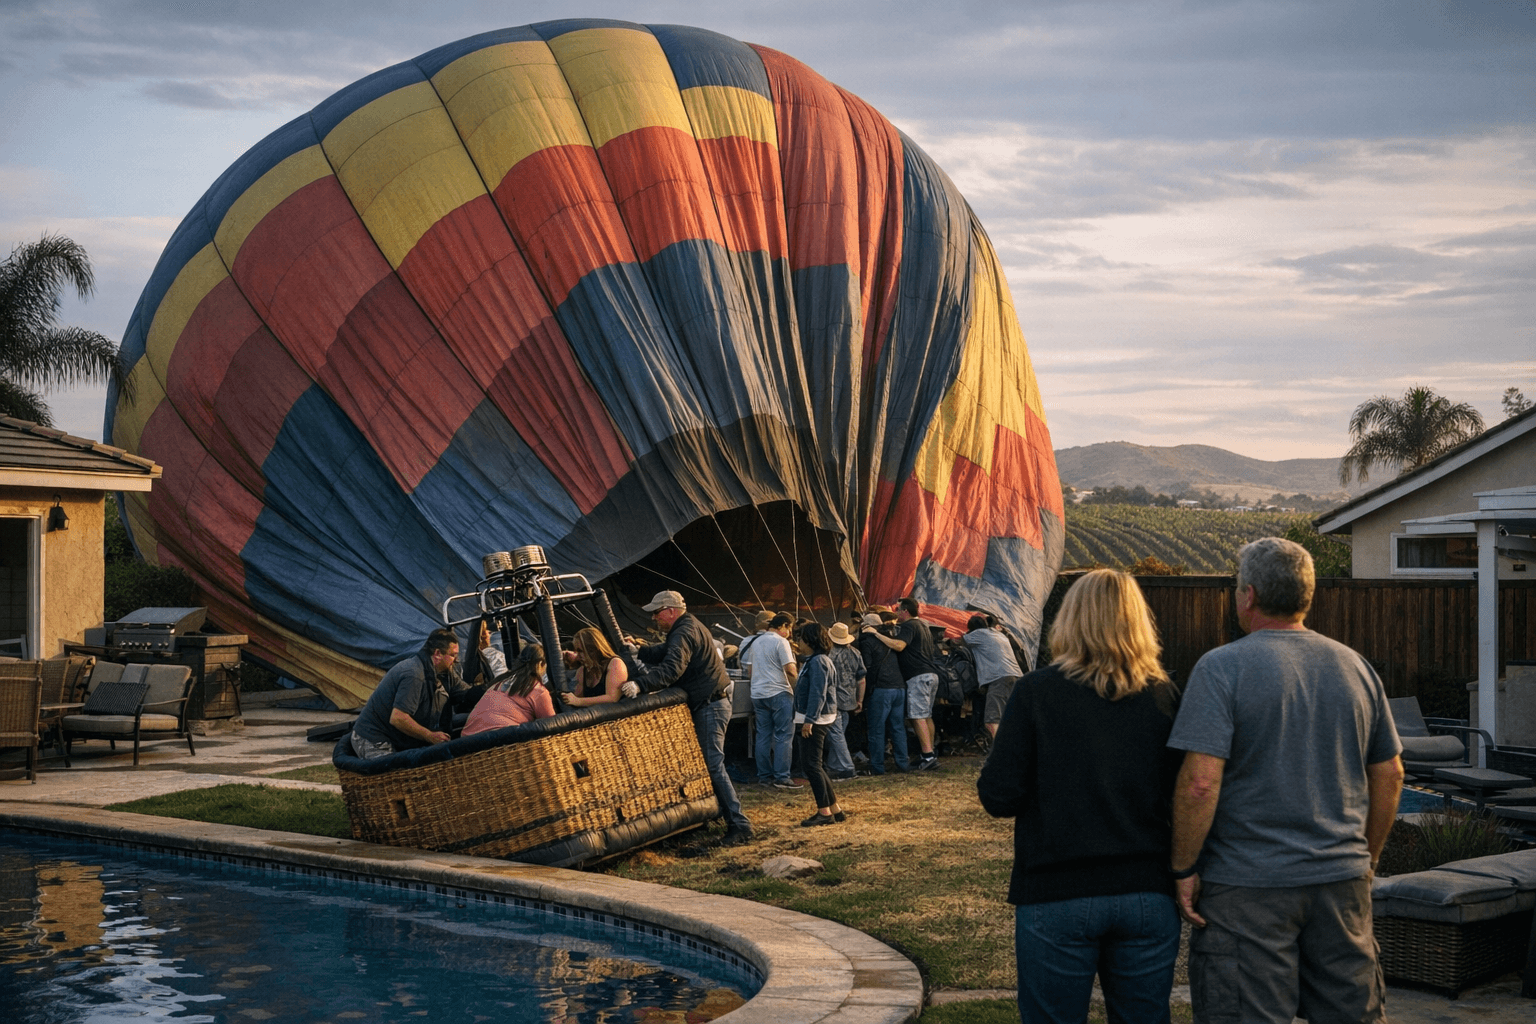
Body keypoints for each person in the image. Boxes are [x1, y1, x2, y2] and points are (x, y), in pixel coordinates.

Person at [1168, 537, 1403, 1024]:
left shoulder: (1221, 668)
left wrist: (1184, 867)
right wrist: (1367, 857)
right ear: (1307, 597)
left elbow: (1199, 784)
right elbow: (1391, 773)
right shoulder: (1355, 666)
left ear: (1248, 596)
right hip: (1341, 885)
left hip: (1247, 890)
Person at [977, 569, 1183, 1024]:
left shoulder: (1036, 693)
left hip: (1057, 890)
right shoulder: (1163, 695)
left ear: (1070, 620)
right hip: (1146, 891)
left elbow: (999, 797)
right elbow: (1184, 795)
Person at [631, 590, 754, 845]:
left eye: (656, 613)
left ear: (670, 611)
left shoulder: (684, 631)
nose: (654, 618)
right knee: (711, 764)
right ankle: (722, 813)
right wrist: (639, 651)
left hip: (711, 704)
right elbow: (665, 651)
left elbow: (671, 668)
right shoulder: (687, 626)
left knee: (713, 765)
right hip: (712, 702)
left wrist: (639, 685)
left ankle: (739, 824)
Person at [351, 628, 483, 759]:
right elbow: (398, 718)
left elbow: (467, 694)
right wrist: (430, 736)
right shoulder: (414, 674)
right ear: (437, 654)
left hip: (399, 737)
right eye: (453, 655)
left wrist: (492, 689)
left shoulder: (444, 674)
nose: (456, 660)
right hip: (374, 738)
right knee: (399, 775)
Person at [864, 596, 942, 770]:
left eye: (898, 609)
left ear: (905, 611)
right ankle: (928, 753)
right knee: (926, 715)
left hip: (917, 676)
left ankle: (928, 756)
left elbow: (899, 645)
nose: (896, 613)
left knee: (917, 716)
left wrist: (875, 633)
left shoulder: (909, 625)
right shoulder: (923, 625)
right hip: (931, 674)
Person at [794, 621, 845, 827]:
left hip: (815, 719)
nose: (798, 642)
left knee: (811, 766)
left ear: (810, 640)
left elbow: (818, 693)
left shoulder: (818, 662)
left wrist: (809, 720)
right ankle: (834, 809)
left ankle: (824, 812)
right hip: (817, 717)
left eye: (800, 638)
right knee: (816, 765)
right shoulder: (817, 660)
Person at [742, 612, 800, 790]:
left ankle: (764, 777)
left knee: (762, 736)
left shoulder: (755, 641)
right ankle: (782, 777)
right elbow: (790, 670)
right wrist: (799, 690)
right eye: (789, 628)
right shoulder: (780, 642)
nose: (789, 633)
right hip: (779, 692)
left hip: (758, 694)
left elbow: (750, 672)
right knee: (783, 736)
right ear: (783, 626)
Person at [462, 644, 557, 735]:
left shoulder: (498, 683)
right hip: (502, 738)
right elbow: (551, 727)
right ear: (541, 664)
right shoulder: (538, 690)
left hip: (468, 738)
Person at [858, 612, 909, 774]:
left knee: (876, 729)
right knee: (898, 728)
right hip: (899, 687)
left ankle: (877, 767)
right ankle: (903, 763)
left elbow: (867, 667)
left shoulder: (867, 641)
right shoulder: (891, 638)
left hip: (881, 689)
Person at [964, 613, 1023, 739]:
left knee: (992, 721)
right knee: (1010, 717)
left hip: (1000, 678)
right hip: (1016, 676)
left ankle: (1000, 753)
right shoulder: (998, 634)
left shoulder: (978, 634)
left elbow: (958, 641)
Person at [825, 622, 867, 780]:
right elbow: (861, 679)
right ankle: (834, 766)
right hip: (849, 698)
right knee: (839, 733)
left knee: (836, 735)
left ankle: (846, 767)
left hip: (832, 697)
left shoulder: (828, 653)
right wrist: (860, 700)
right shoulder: (856, 652)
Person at [560, 627, 629, 707]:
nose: (578, 656)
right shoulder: (582, 671)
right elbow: (577, 697)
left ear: (593, 649)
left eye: (580, 651)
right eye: (576, 651)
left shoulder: (615, 664)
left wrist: (578, 701)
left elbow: (612, 698)